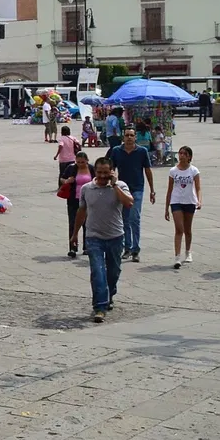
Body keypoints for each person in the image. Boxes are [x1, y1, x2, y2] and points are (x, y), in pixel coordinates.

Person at [74, 156, 132, 322]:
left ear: (112, 172)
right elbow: (81, 211)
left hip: (115, 236)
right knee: (98, 272)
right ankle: (99, 306)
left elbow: (129, 203)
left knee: (113, 272)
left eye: (106, 172)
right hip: (94, 237)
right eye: (99, 172)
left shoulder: (120, 186)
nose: (102, 176)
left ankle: (109, 294)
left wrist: (114, 185)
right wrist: (75, 234)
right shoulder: (86, 189)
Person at [107, 127, 156, 262]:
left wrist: (152, 190)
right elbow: (111, 168)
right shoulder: (117, 151)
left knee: (135, 218)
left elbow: (147, 170)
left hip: (137, 188)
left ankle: (136, 249)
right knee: (124, 219)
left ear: (135, 137)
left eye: (131, 135)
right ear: (123, 137)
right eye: (127, 135)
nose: (129, 138)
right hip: (122, 188)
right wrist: (111, 182)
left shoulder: (142, 151)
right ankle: (127, 248)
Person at [165, 145, 202, 269]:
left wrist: (199, 201)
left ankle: (188, 251)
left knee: (188, 229)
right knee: (179, 228)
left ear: (189, 157)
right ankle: (177, 256)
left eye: (184, 154)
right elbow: (169, 190)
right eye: (180, 153)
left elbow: (198, 187)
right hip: (176, 201)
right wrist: (166, 207)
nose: (181, 156)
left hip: (190, 201)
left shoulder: (194, 171)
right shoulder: (173, 171)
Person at [60, 152, 94, 257]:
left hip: (88, 199)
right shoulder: (71, 168)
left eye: (82, 162)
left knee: (87, 223)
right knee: (73, 223)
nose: (80, 164)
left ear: (87, 160)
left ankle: (87, 247)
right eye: (78, 162)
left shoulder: (92, 169)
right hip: (73, 199)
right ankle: (73, 247)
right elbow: (62, 179)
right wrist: (66, 181)